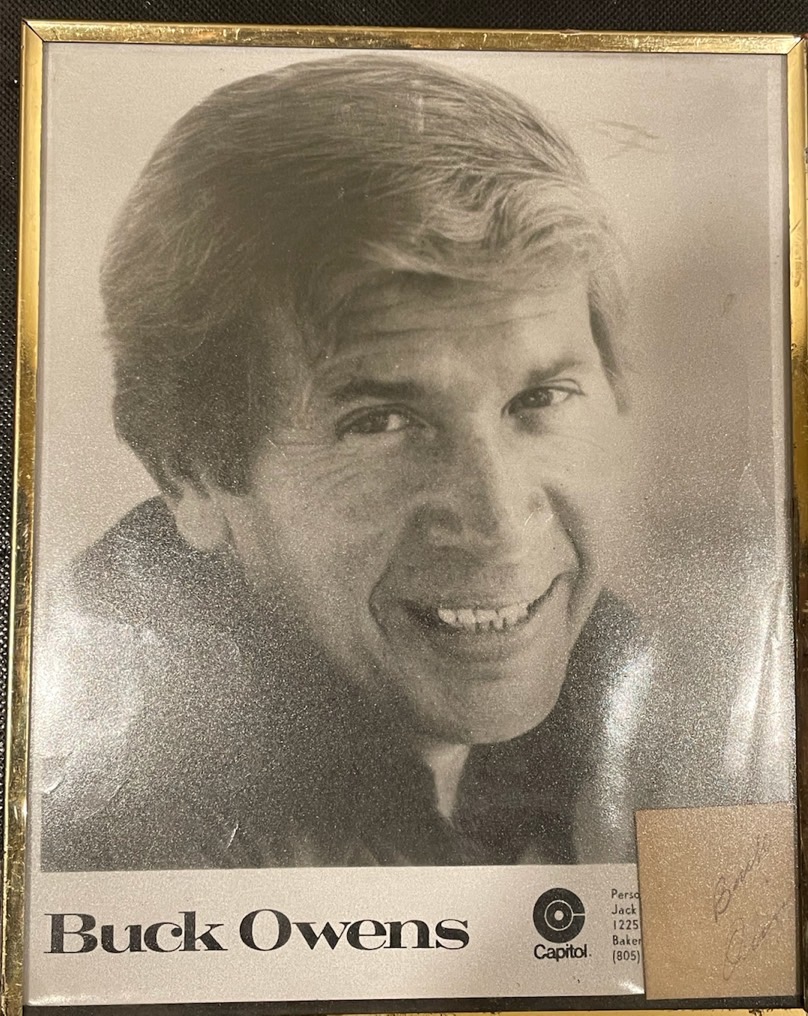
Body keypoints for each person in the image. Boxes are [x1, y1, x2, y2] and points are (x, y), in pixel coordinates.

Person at [38, 54, 750, 871]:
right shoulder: (107, 833)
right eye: (381, 422)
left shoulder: (657, 708)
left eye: (540, 398)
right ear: (191, 478)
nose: (497, 520)